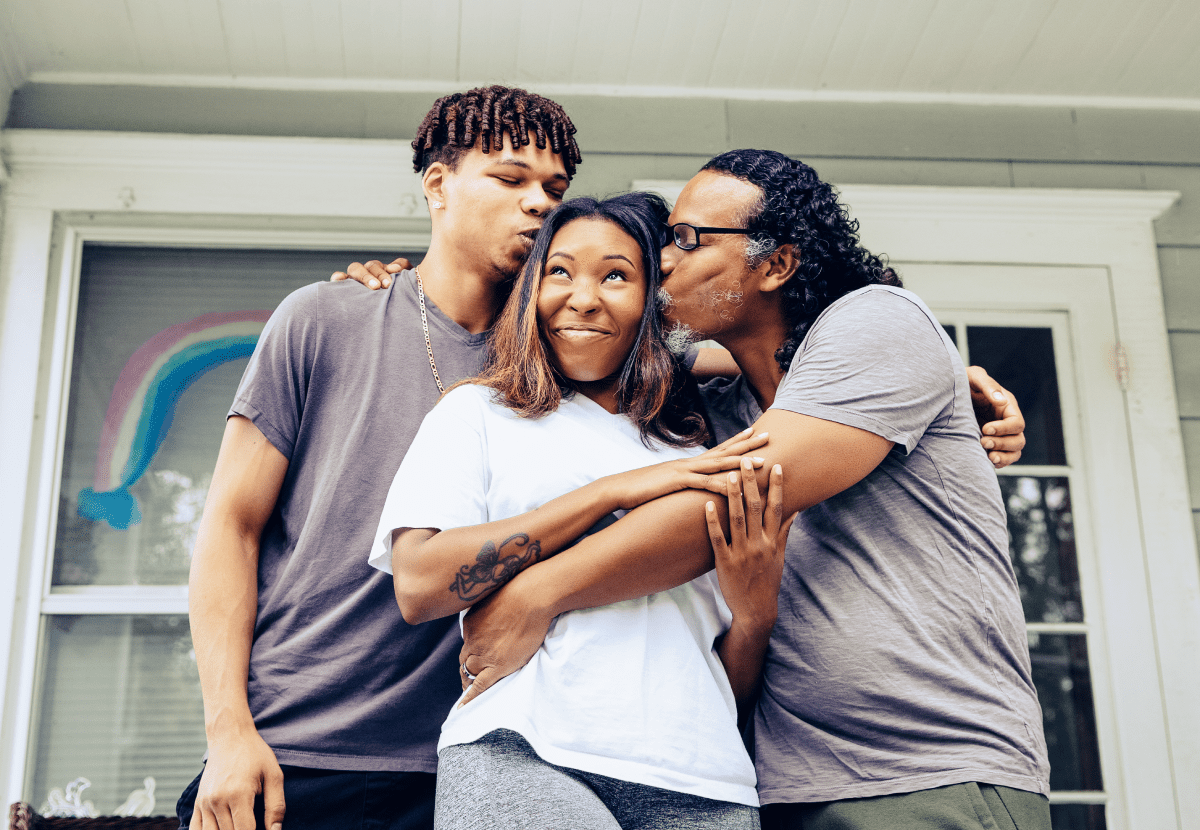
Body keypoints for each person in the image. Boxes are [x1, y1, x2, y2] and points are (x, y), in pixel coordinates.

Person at [435, 151, 1052, 830]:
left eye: (689, 239)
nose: (663, 259)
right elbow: (579, 336)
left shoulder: (879, 322)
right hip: (777, 784)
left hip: (929, 773)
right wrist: (403, 289)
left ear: (778, 264)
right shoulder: (716, 410)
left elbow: (726, 502)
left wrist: (536, 592)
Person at [181, 86, 582, 830]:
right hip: (292, 751)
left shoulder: (567, 363)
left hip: (471, 769)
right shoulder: (324, 318)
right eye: (511, 177)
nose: (540, 204)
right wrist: (229, 732)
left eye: (555, 189)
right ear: (437, 185)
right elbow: (229, 530)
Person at [371, 192, 787, 829]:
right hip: (526, 754)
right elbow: (419, 584)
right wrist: (610, 492)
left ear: (655, 299)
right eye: (558, 271)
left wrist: (755, 612)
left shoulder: (696, 444)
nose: (583, 298)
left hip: (705, 778)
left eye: (616, 275)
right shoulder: (478, 413)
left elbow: (715, 667)